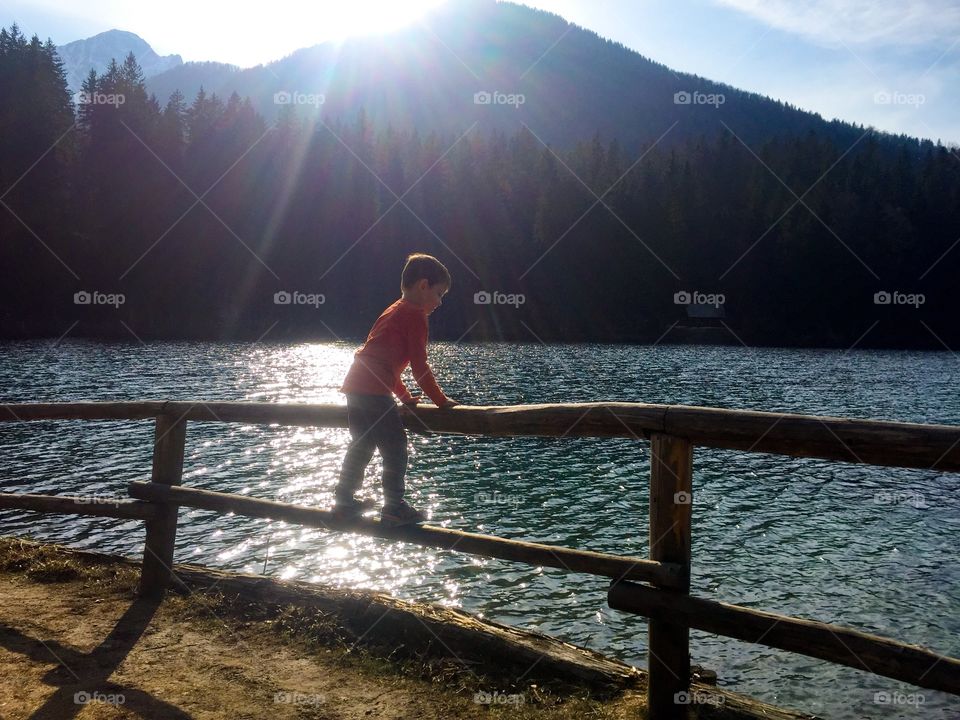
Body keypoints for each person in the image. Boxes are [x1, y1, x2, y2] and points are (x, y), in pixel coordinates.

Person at [332, 253, 459, 526]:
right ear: (423, 285)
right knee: (396, 447)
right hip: (374, 390)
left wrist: (404, 397)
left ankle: (343, 501)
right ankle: (393, 507)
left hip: (356, 385)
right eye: (439, 293)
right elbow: (419, 366)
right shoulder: (415, 315)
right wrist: (441, 401)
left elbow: (383, 362)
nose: (440, 302)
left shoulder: (393, 310)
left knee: (362, 444)